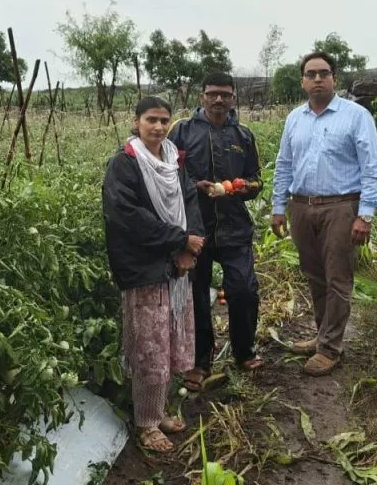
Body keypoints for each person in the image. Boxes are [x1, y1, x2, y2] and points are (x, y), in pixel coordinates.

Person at [101, 96, 206, 453]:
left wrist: (190, 246)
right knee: (150, 348)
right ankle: (146, 424)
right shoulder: (125, 164)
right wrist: (178, 240)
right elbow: (128, 217)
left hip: (176, 267)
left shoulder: (174, 160)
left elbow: (189, 200)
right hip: (144, 267)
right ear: (136, 122)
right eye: (151, 120)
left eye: (164, 120)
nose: (159, 127)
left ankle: (156, 411)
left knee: (169, 341)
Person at [270, 51, 377, 377]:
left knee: (337, 279)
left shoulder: (356, 116)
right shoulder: (295, 119)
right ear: (303, 81)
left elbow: (371, 169)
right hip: (302, 207)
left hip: (340, 207)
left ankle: (331, 348)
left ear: (334, 78)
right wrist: (279, 207)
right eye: (311, 74)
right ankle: (323, 335)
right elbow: (284, 165)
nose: (317, 79)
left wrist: (365, 215)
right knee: (314, 274)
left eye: (324, 73)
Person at [168, 72, 265, 392]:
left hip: (235, 227)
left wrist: (244, 187)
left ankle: (243, 350)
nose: (219, 99)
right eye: (213, 94)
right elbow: (168, 174)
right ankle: (200, 360)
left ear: (233, 98)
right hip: (195, 228)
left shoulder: (243, 135)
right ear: (202, 96)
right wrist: (195, 186)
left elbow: (255, 180)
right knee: (196, 297)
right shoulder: (182, 131)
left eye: (225, 94)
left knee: (243, 290)